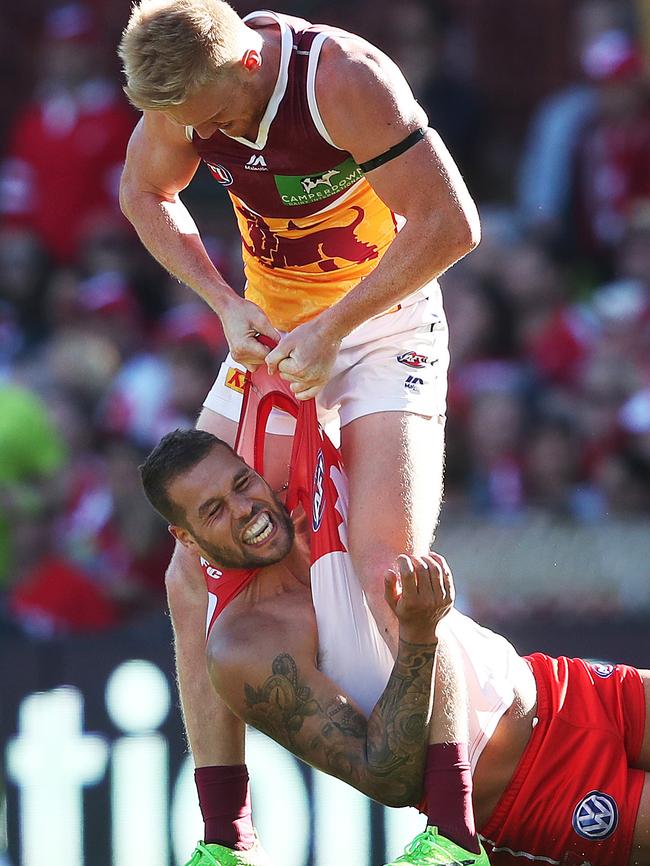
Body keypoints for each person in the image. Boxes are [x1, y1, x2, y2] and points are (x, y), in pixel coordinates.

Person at [118, 1, 480, 860]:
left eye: (212, 117)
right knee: (186, 573)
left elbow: (453, 224)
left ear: (246, 65)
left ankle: (454, 834)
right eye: (187, 125)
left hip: (386, 325)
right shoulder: (182, 99)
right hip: (275, 331)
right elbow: (143, 192)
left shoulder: (342, 79)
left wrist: (335, 325)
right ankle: (224, 841)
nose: (206, 138)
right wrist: (224, 303)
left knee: (390, 566)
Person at [139, 413, 650, 866]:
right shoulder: (245, 647)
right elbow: (388, 777)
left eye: (241, 483)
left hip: (569, 687)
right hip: (538, 792)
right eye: (213, 510)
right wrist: (419, 638)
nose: (245, 508)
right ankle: (226, 837)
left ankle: (225, 834)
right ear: (186, 539)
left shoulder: (304, 508)